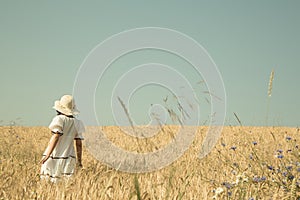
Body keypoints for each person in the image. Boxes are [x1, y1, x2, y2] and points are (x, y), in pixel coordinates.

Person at [40, 95, 85, 183]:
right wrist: (79, 161)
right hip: (69, 156)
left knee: (48, 182)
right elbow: (79, 144)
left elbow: (56, 136)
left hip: (55, 155)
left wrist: (47, 155)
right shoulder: (77, 123)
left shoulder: (59, 119)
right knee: (65, 183)